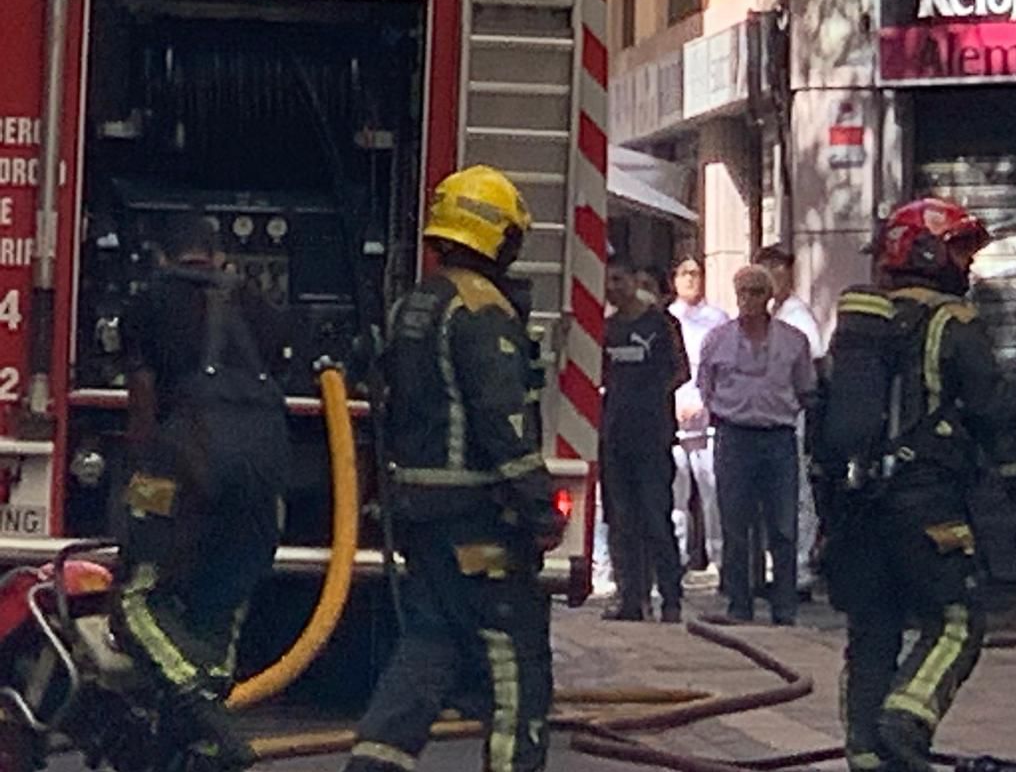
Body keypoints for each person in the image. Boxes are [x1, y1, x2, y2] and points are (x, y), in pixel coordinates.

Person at [812, 198, 1016, 772]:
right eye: (958, 249)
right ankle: (905, 723)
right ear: (923, 250)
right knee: (957, 622)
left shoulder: (860, 330)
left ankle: (868, 756)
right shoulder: (954, 323)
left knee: (872, 629)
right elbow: (995, 418)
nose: (966, 265)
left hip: (856, 510)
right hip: (926, 506)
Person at [345, 166, 566, 772]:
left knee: (427, 651)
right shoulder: (479, 309)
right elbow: (503, 423)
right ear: (497, 236)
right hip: (476, 520)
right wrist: (540, 507)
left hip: (419, 516)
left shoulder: (413, 304)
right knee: (516, 670)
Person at [114, 211, 290, 772]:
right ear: (217, 257)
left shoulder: (150, 303)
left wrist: (136, 485)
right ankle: (195, 749)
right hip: (268, 471)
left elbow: (143, 410)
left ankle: (201, 714)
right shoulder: (260, 306)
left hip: (185, 466)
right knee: (219, 607)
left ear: (164, 258)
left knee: (135, 602)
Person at [699, 266, 815, 625]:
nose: (747, 299)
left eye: (755, 291)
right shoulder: (716, 339)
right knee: (735, 524)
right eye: (742, 291)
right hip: (734, 436)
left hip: (777, 437)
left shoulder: (794, 340)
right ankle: (739, 604)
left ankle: (784, 607)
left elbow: (805, 387)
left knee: (782, 525)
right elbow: (707, 385)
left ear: (768, 296)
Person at [602, 253, 689, 621]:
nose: (612, 288)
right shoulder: (606, 329)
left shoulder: (660, 324)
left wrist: (653, 398)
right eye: (607, 281)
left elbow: (681, 370)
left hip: (652, 437)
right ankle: (630, 599)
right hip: (615, 437)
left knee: (656, 517)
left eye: (619, 279)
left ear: (635, 281)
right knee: (621, 520)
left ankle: (670, 598)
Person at [755, 246, 823, 598]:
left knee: (796, 495)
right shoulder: (772, 316)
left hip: (791, 418)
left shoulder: (797, 318)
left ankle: (798, 571)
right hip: (772, 417)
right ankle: (782, 569)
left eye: (776, 270)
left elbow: (812, 368)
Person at [667, 256, 728, 571]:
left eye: (696, 273)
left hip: (706, 417)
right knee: (676, 494)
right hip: (673, 416)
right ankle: (676, 558)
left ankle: (717, 557)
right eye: (684, 273)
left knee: (713, 492)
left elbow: (723, 370)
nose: (691, 279)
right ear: (674, 279)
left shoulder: (717, 319)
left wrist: (706, 402)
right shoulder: (666, 318)